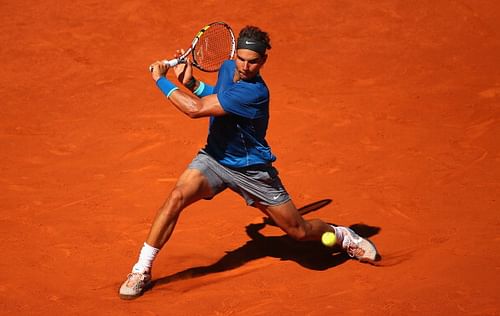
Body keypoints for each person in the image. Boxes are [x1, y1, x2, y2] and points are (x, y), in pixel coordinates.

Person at [119, 25, 378, 300]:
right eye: (241, 58)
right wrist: (190, 83)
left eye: (253, 61)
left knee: (298, 232)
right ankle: (141, 270)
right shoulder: (228, 69)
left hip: (252, 171)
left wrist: (161, 79)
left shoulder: (256, 92)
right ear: (235, 54)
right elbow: (214, 94)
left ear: (263, 60)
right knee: (176, 197)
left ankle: (342, 236)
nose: (245, 66)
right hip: (215, 158)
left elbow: (196, 109)